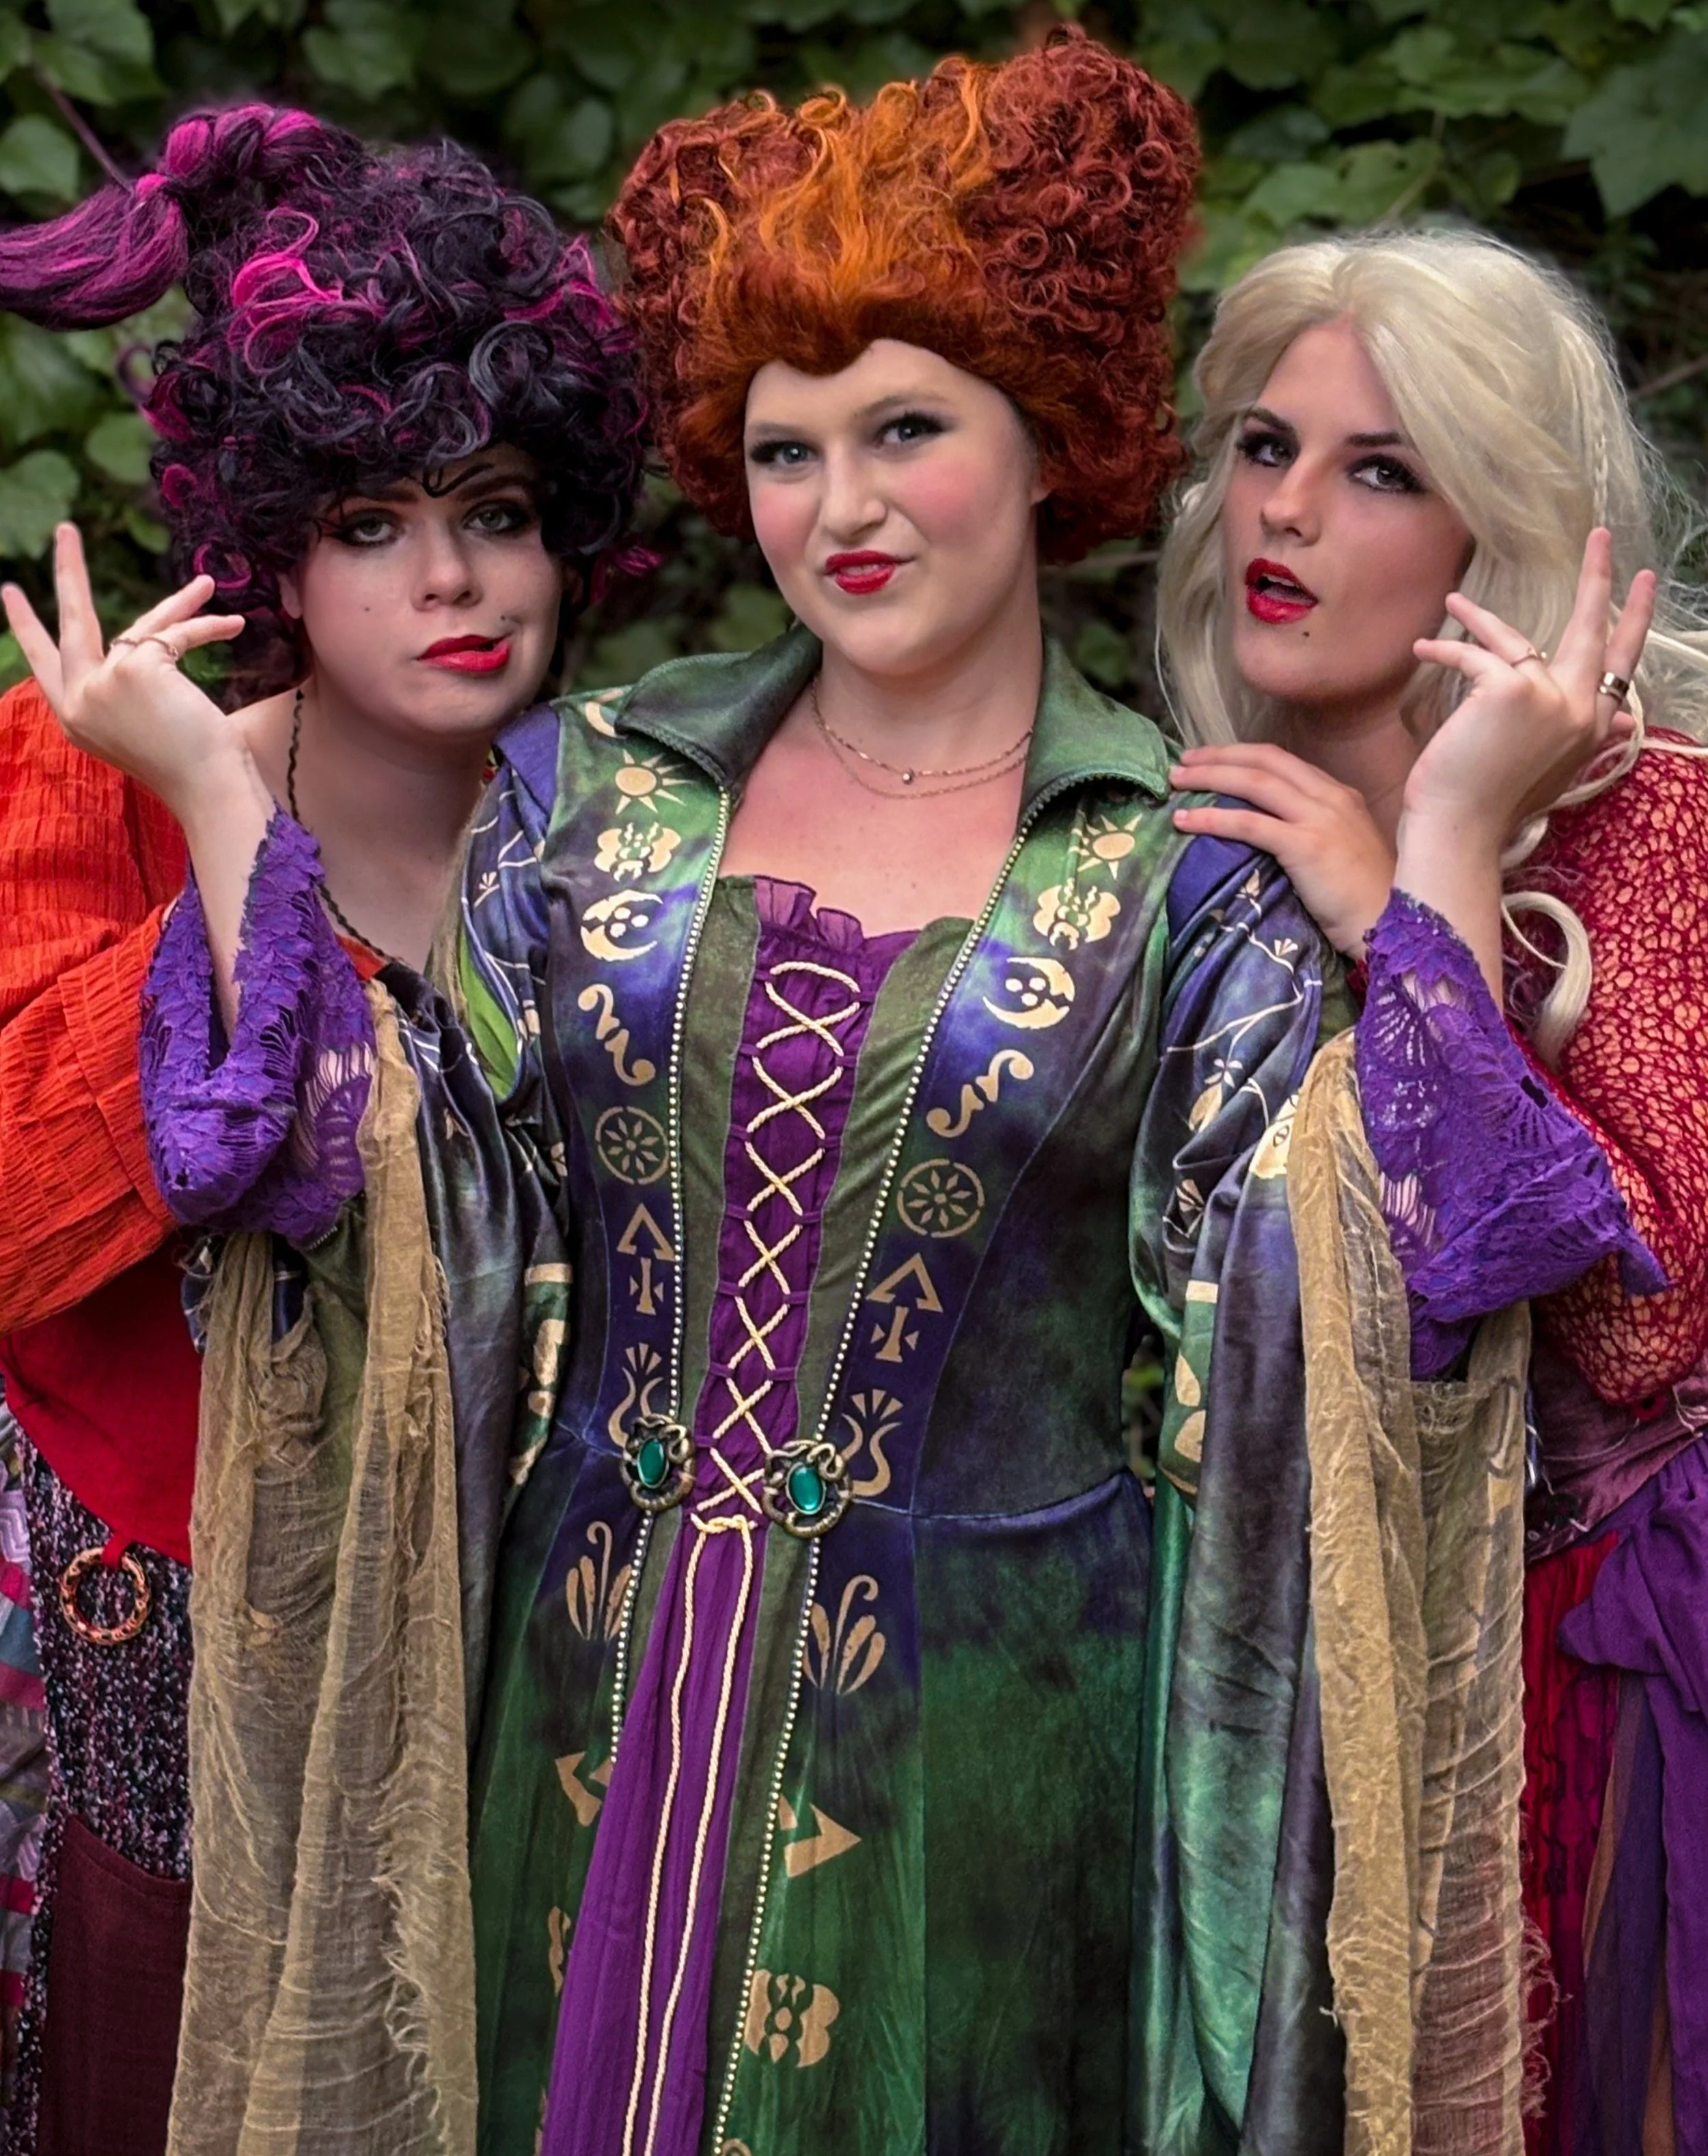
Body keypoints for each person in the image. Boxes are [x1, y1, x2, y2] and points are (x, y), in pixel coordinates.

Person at [29, 37, 1653, 2156]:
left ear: (1048, 446)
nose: (843, 509)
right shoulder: (586, 794)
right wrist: (207, 806)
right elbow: (364, 1175)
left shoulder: (1181, 868)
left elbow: (1421, 1276)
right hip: (573, 1721)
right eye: (785, 454)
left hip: (1003, 1768)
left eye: (906, 431)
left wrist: (1437, 852)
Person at [0, 102, 645, 2155]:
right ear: (266, 542)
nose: (452, 577)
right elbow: (20, 1216)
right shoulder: (80, 769)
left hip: (535, 1673)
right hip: (164, 1662)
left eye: (497, 507)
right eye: (370, 521)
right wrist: (219, 823)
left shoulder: (642, 831)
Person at [1161, 228, 1708, 2155]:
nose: (1284, 512)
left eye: (1377, 469)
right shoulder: (1182, 832)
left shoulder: (1655, 824)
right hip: (1273, 1675)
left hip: (1612, 1672)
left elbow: (1605, 1314)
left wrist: (1438, 871)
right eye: (1259, 447)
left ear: (1502, 528)